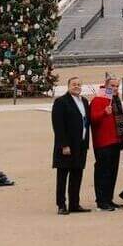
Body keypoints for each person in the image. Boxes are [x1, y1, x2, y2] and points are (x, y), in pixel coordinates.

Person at [52, 77, 91, 215]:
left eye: (79, 84)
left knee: (77, 175)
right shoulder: (61, 102)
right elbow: (58, 125)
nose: (77, 86)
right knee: (63, 176)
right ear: (68, 86)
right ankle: (61, 204)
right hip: (67, 146)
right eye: (74, 84)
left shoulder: (85, 101)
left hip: (80, 144)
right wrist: (63, 145)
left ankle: (74, 204)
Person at [89, 74, 123, 211]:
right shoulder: (98, 99)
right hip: (103, 143)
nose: (115, 88)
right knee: (103, 173)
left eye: (117, 86)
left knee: (112, 172)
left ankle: (108, 199)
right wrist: (104, 112)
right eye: (112, 86)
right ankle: (101, 201)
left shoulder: (115, 100)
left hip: (115, 141)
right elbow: (92, 119)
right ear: (106, 86)